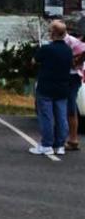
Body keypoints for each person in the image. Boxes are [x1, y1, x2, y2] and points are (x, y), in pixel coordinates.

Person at [31, 20, 74, 156]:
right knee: (61, 117)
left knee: (46, 117)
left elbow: (34, 61)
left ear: (53, 33)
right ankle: (60, 145)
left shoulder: (47, 49)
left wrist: (38, 54)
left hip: (46, 87)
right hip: (62, 88)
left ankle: (46, 144)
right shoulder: (68, 50)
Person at [63, 29, 85, 150]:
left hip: (70, 77)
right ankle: (73, 138)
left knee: (67, 107)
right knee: (71, 108)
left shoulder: (75, 44)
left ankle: (71, 139)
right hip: (76, 78)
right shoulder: (78, 45)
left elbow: (73, 64)